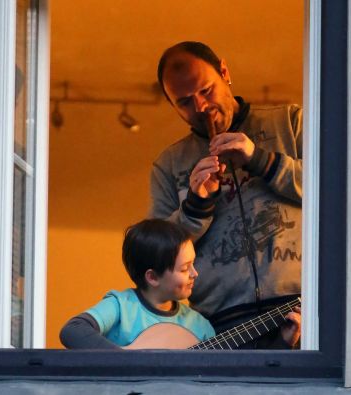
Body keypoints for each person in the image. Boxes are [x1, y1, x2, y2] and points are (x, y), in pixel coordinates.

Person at [150, 41, 303, 348]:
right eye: (185, 102)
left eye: (206, 91)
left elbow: (340, 195)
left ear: (224, 71)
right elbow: (157, 255)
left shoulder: (290, 121)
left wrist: (260, 159)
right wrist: (197, 204)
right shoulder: (169, 165)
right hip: (221, 330)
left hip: (303, 309)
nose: (201, 107)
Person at [59, 219, 215, 349]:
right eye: (185, 268)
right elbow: (73, 330)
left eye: (193, 264)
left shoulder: (199, 327)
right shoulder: (121, 306)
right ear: (153, 277)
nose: (195, 273)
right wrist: (128, 363)